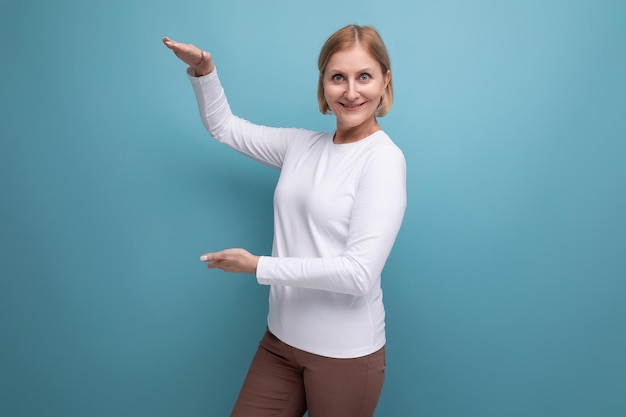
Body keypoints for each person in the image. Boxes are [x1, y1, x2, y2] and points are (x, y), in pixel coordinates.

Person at [162, 24, 406, 417]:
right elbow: (225, 128)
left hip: (344, 355)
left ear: (385, 81)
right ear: (323, 82)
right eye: (337, 77)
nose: (350, 91)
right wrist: (205, 70)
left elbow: (359, 273)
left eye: (364, 77)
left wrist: (258, 266)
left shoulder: (383, 160)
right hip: (281, 342)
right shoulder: (301, 146)